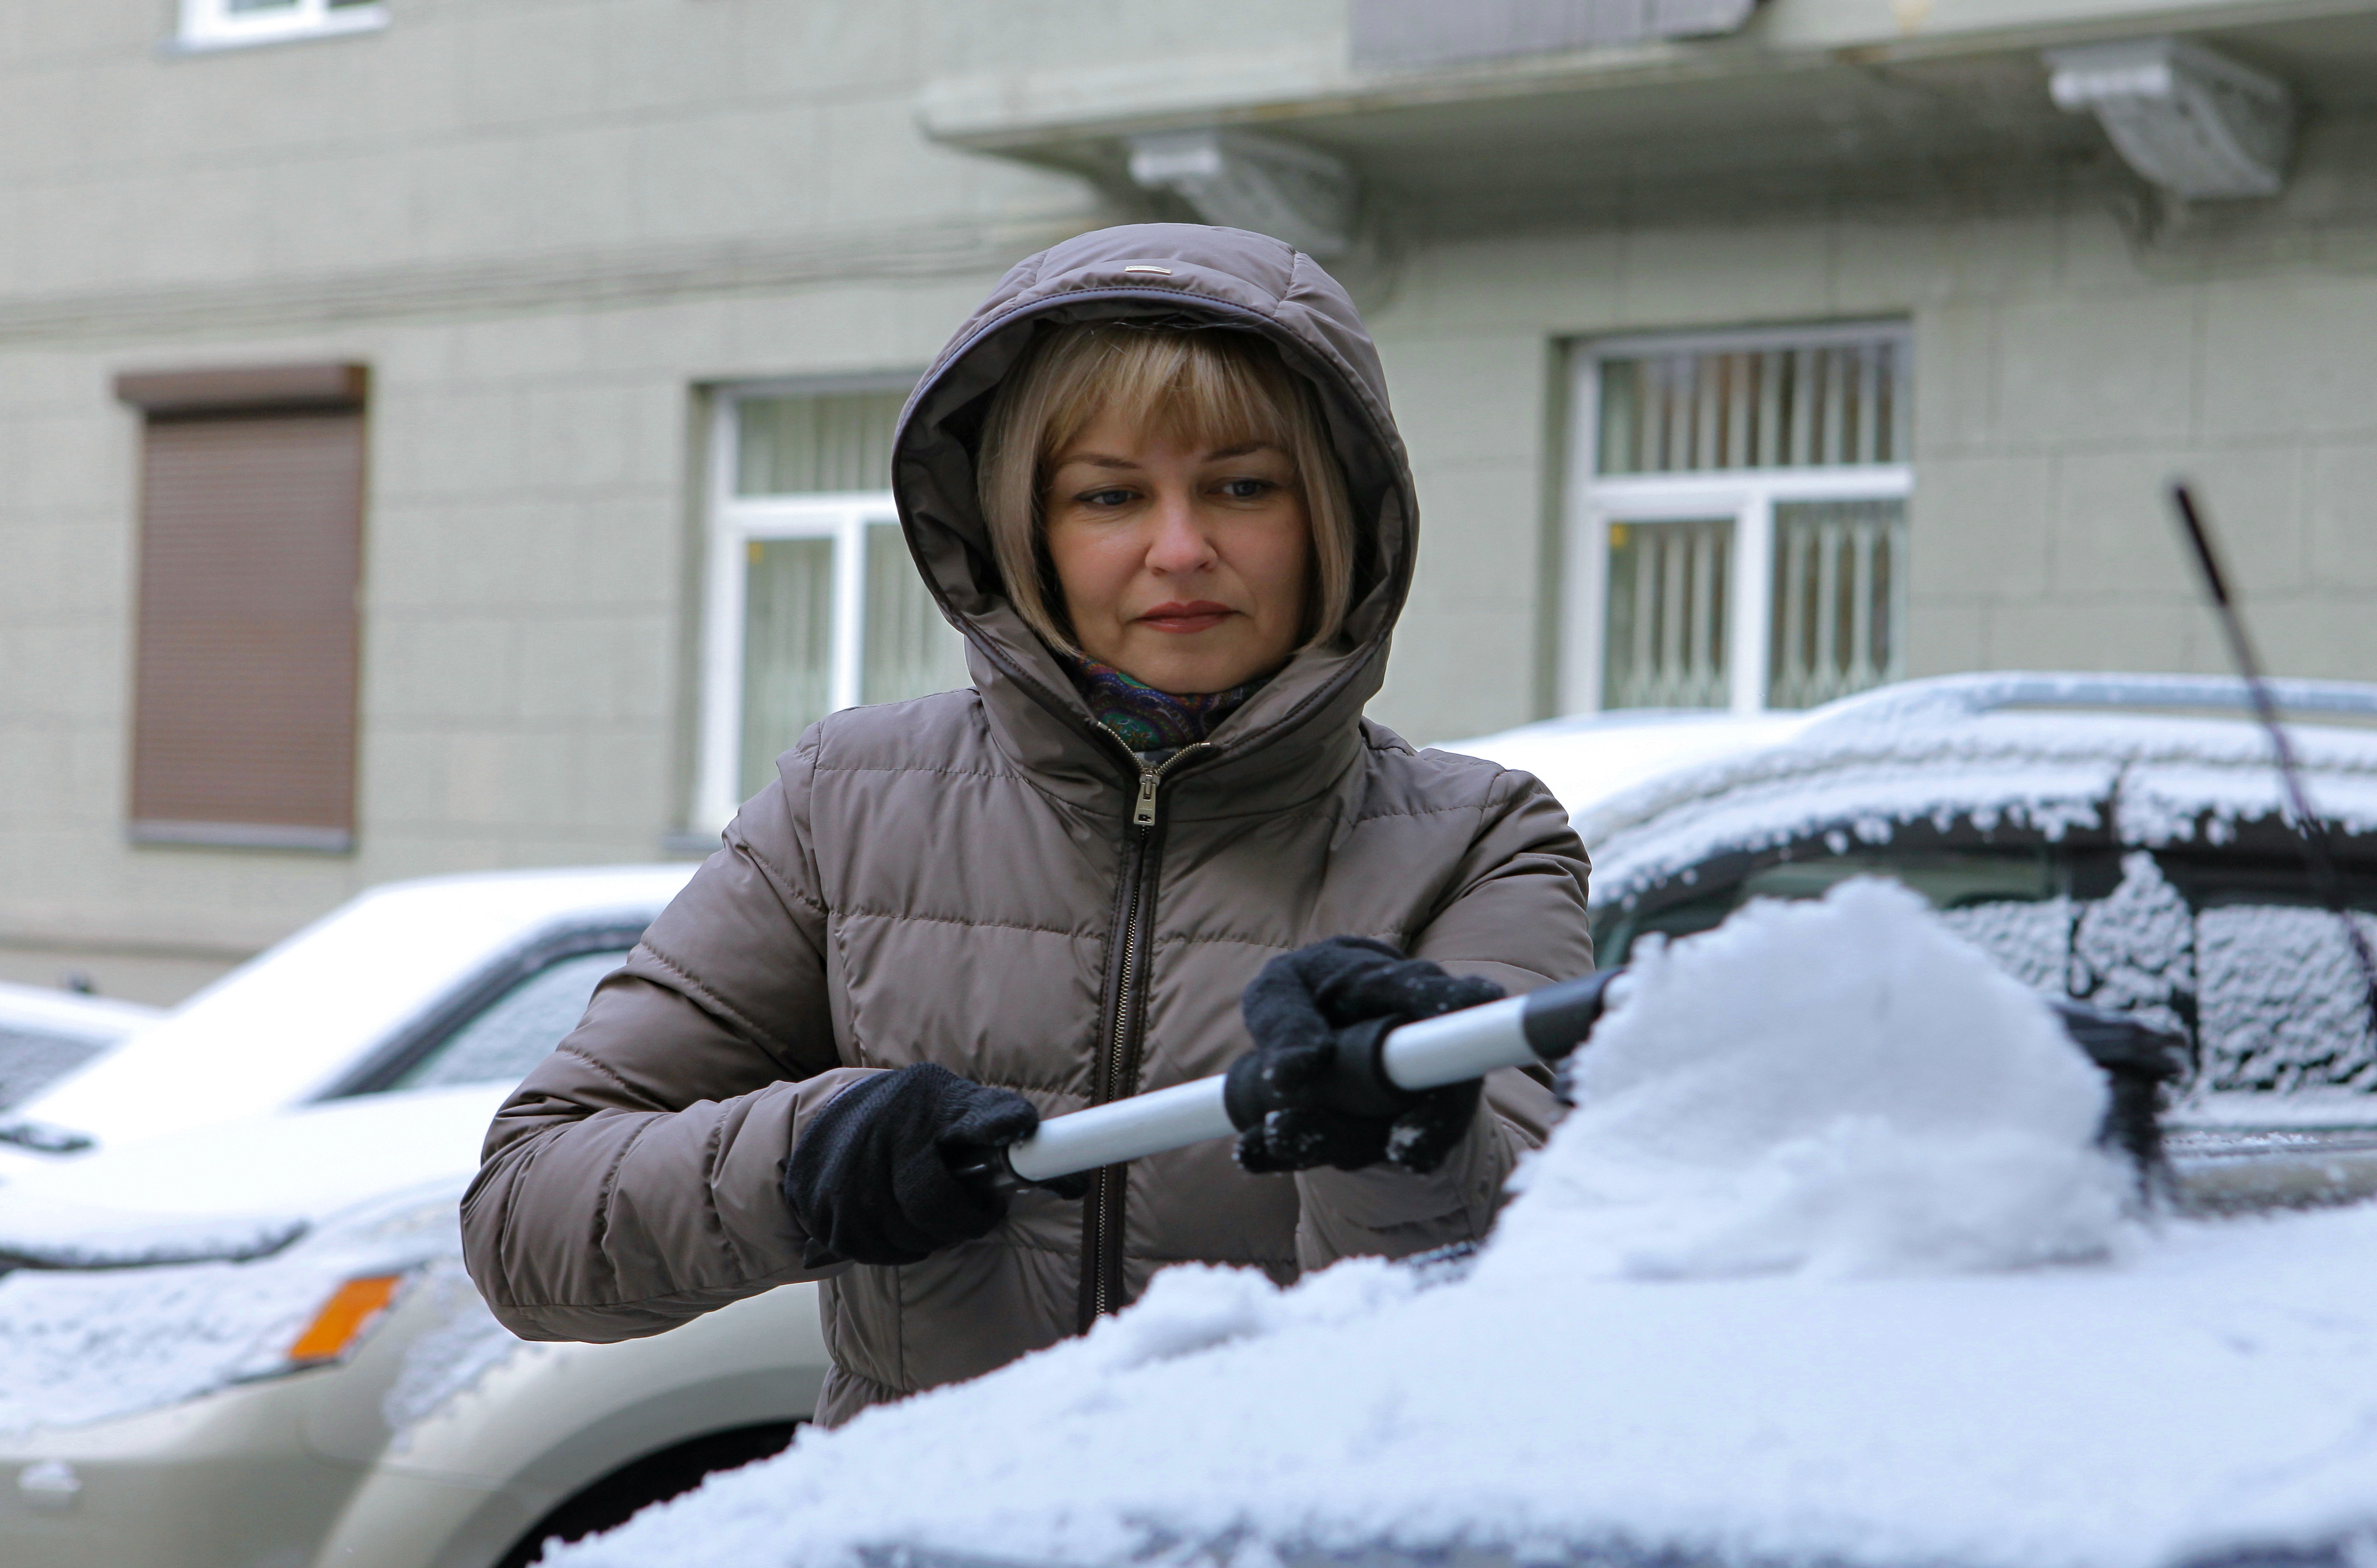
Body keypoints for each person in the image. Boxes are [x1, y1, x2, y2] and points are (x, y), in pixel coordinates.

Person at [461, 223, 1593, 1428]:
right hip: (937, 1544)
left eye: (1243, 485)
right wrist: (807, 1158)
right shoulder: (851, 800)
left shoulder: (1477, 840)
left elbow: (1529, 1276)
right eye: (1109, 494)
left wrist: (1400, 1137)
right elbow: (527, 1216)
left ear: (1337, 519)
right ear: (1024, 529)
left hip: (1290, 1543)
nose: (1180, 547)